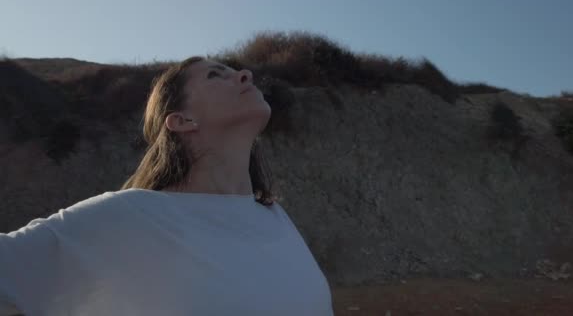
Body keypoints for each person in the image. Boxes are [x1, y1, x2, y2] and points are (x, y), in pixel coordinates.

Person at [0, 56, 334, 315]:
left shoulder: (275, 216)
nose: (245, 74)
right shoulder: (130, 215)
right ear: (182, 120)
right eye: (216, 74)